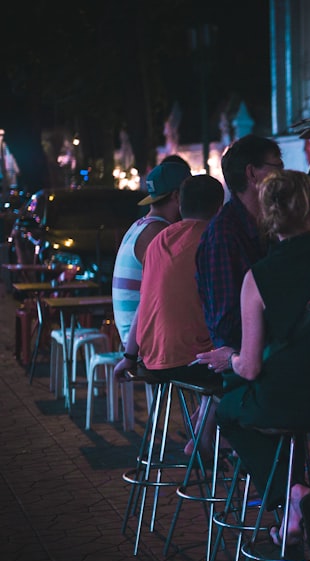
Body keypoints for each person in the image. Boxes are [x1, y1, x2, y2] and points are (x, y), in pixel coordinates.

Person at [197, 169, 310, 551]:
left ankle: (293, 493)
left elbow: (252, 367)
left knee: (229, 412)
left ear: (266, 215)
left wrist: (231, 358)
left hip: (287, 401)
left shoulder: (258, 276)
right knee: (273, 410)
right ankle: (295, 510)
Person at [113, 175, 225, 443]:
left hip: (150, 360)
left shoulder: (159, 240)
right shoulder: (214, 240)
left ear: (181, 203)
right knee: (244, 370)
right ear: (220, 208)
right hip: (191, 361)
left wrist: (129, 356)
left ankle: (201, 429)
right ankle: (206, 438)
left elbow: (145, 302)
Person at [195, 135, 283, 363]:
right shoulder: (224, 235)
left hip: (274, 350)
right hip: (243, 360)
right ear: (252, 173)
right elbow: (227, 325)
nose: (283, 176)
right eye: (278, 167)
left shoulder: (270, 224)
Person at [112, 159, 192, 346]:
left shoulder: (140, 226)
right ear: (177, 196)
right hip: (144, 343)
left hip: (133, 336)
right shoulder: (160, 233)